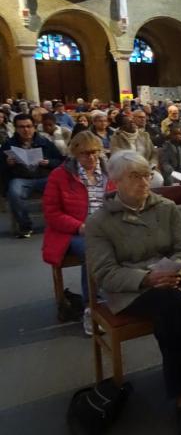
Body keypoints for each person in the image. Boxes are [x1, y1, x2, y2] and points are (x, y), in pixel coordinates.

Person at [86, 151, 181, 435]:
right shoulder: (100, 222)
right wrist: (147, 278)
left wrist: (173, 272)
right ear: (115, 181)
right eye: (134, 176)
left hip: (173, 281)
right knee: (173, 304)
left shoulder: (165, 207)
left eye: (147, 174)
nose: (144, 181)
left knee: (171, 308)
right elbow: (105, 272)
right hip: (130, 290)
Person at [42, 131, 114, 331]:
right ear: (74, 153)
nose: (91, 157)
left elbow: (119, 201)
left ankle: (126, 296)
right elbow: (52, 213)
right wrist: (79, 226)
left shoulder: (110, 172)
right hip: (72, 232)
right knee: (93, 250)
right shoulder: (60, 175)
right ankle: (93, 307)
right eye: (85, 154)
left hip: (106, 227)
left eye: (94, 152)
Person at [1, 114, 63, 237]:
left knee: (63, 188)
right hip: (21, 178)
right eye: (21, 127)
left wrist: (49, 162)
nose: (26, 130)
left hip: (44, 177)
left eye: (29, 126)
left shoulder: (44, 142)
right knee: (14, 193)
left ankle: (61, 222)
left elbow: (61, 161)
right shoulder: (9, 144)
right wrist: (7, 163)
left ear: (34, 127)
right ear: (16, 128)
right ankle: (25, 226)